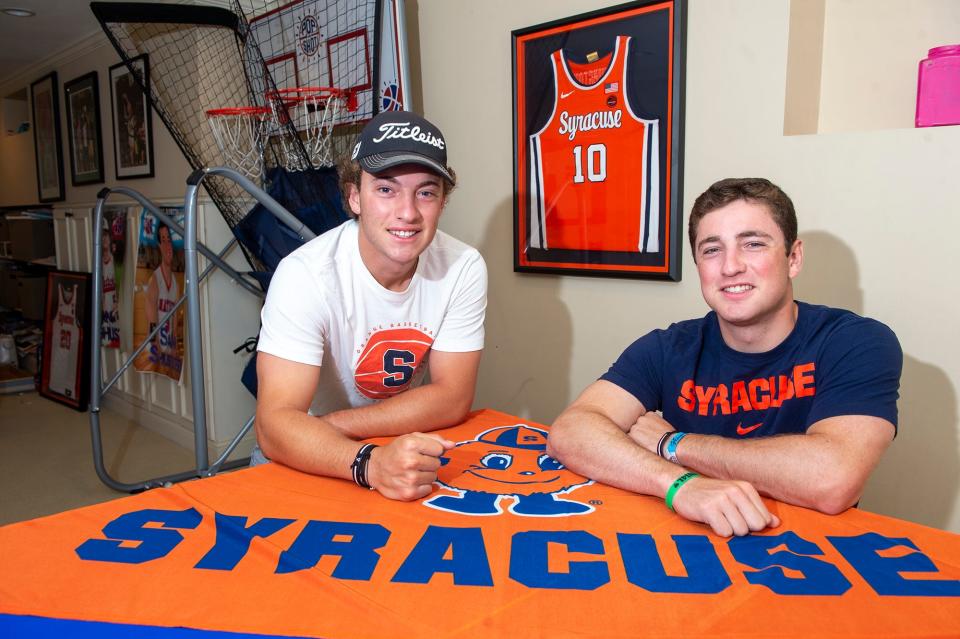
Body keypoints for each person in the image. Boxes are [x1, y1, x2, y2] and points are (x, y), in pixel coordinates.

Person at [548, 177, 902, 537]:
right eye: (712, 250)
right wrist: (679, 484)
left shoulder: (855, 341)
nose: (730, 267)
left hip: (812, 555)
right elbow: (571, 432)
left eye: (752, 244)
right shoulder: (668, 346)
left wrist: (674, 444)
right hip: (696, 542)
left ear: (793, 258)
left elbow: (831, 480)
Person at [253, 110, 488, 502]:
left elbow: (452, 397)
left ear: (442, 203)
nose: (408, 212)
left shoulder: (463, 267)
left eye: (426, 192)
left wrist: (342, 429)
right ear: (353, 197)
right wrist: (370, 463)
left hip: (387, 444)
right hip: (307, 451)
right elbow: (274, 426)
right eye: (386, 189)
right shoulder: (305, 274)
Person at [144, 222, 179, 363]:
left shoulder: (176, 283)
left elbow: (175, 320)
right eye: (163, 241)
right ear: (159, 246)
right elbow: (152, 321)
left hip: (168, 350)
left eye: (169, 240)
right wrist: (155, 346)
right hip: (155, 349)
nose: (167, 245)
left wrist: (174, 347)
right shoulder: (155, 279)